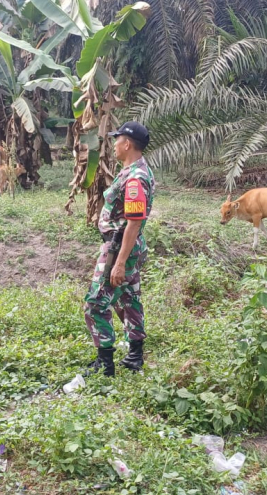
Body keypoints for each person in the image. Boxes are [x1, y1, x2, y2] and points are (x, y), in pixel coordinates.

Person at [84, 121, 155, 376]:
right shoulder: (132, 171)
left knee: (95, 303)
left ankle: (105, 363)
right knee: (129, 299)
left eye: (117, 140)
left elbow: (134, 222)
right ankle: (135, 357)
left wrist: (120, 262)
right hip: (128, 246)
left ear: (127, 144)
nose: (113, 144)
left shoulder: (135, 177)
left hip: (119, 246)